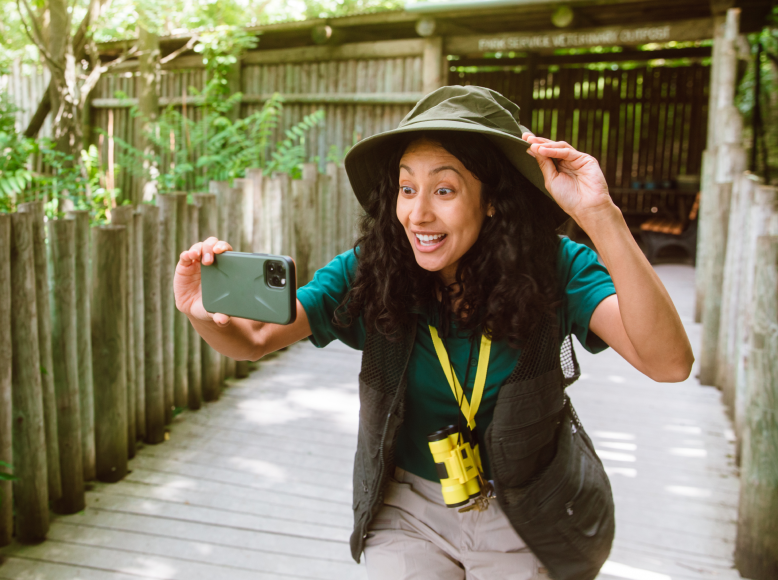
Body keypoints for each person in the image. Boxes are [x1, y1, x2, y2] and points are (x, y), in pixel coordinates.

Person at [173, 86, 693, 580]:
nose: (418, 213)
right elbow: (254, 341)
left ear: (492, 199)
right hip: (408, 509)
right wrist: (200, 311)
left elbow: (668, 363)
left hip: (528, 510)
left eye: (444, 189)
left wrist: (599, 214)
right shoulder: (373, 268)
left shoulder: (557, 266)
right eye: (406, 188)